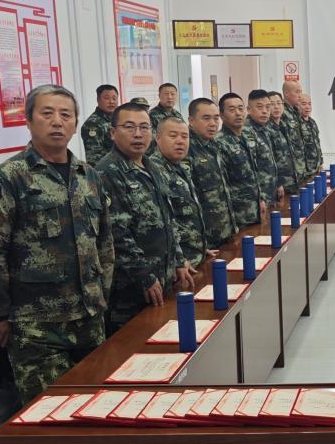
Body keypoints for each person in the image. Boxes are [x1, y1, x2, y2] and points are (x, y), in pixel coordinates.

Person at [0, 84, 114, 402]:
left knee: (94, 403)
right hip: (37, 324)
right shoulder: (8, 178)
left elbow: (104, 242)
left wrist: (101, 293)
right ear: (29, 120)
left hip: (89, 318)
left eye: (66, 115)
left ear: (75, 123)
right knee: (48, 411)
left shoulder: (88, 175)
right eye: (47, 113)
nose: (57, 122)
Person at [96, 102, 193, 334]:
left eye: (144, 127)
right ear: (113, 132)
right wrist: (144, 276)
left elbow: (168, 218)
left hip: (162, 277)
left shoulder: (151, 166)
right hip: (132, 288)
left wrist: (179, 260)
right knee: (135, 343)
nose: (138, 134)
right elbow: (117, 234)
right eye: (130, 127)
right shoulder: (107, 172)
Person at [149, 117, 215, 271]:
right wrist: (180, 260)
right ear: (158, 138)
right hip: (179, 267)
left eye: (185, 137)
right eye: (173, 136)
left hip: (194, 258)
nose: (180, 141)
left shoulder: (179, 167)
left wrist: (200, 247)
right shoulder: (155, 171)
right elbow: (165, 224)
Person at [186, 98, 240, 248]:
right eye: (206, 118)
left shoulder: (214, 145)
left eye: (216, 118)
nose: (213, 123)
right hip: (205, 241)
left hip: (225, 231)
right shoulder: (186, 150)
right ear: (191, 121)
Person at [217, 92, 264, 225]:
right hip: (238, 216)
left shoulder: (247, 136)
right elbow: (222, 187)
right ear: (222, 115)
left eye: (240, 108)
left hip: (255, 210)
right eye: (232, 110)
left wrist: (261, 199)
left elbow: (255, 173)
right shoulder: (219, 143)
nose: (238, 113)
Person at [242, 90, 284, 202]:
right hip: (258, 198)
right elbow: (250, 171)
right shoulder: (246, 132)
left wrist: (278, 183)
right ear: (249, 109)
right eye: (260, 107)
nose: (265, 111)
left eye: (267, 107)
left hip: (270, 193)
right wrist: (260, 199)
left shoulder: (264, 129)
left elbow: (271, 161)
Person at [266, 92, 304, 191]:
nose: (276, 107)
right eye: (272, 104)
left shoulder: (284, 125)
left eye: (279, 103)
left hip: (293, 180)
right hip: (279, 185)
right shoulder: (266, 129)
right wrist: (278, 183)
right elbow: (268, 161)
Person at [82, 84, 119, 163]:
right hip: (107, 168)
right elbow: (94, 158)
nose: (111, 102)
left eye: (114, 98)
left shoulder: (118, 119)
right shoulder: (92, 124)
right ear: (98, 100)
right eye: (107, 98)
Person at [296, 94, 323, 180]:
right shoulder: (296, 123)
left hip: (316, 169)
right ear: (297, 106)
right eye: (303, 104)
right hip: (305, 171)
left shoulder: (312, 122)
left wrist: (321, 161)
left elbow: (317, 143)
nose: (307, 107)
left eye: (309, 104)